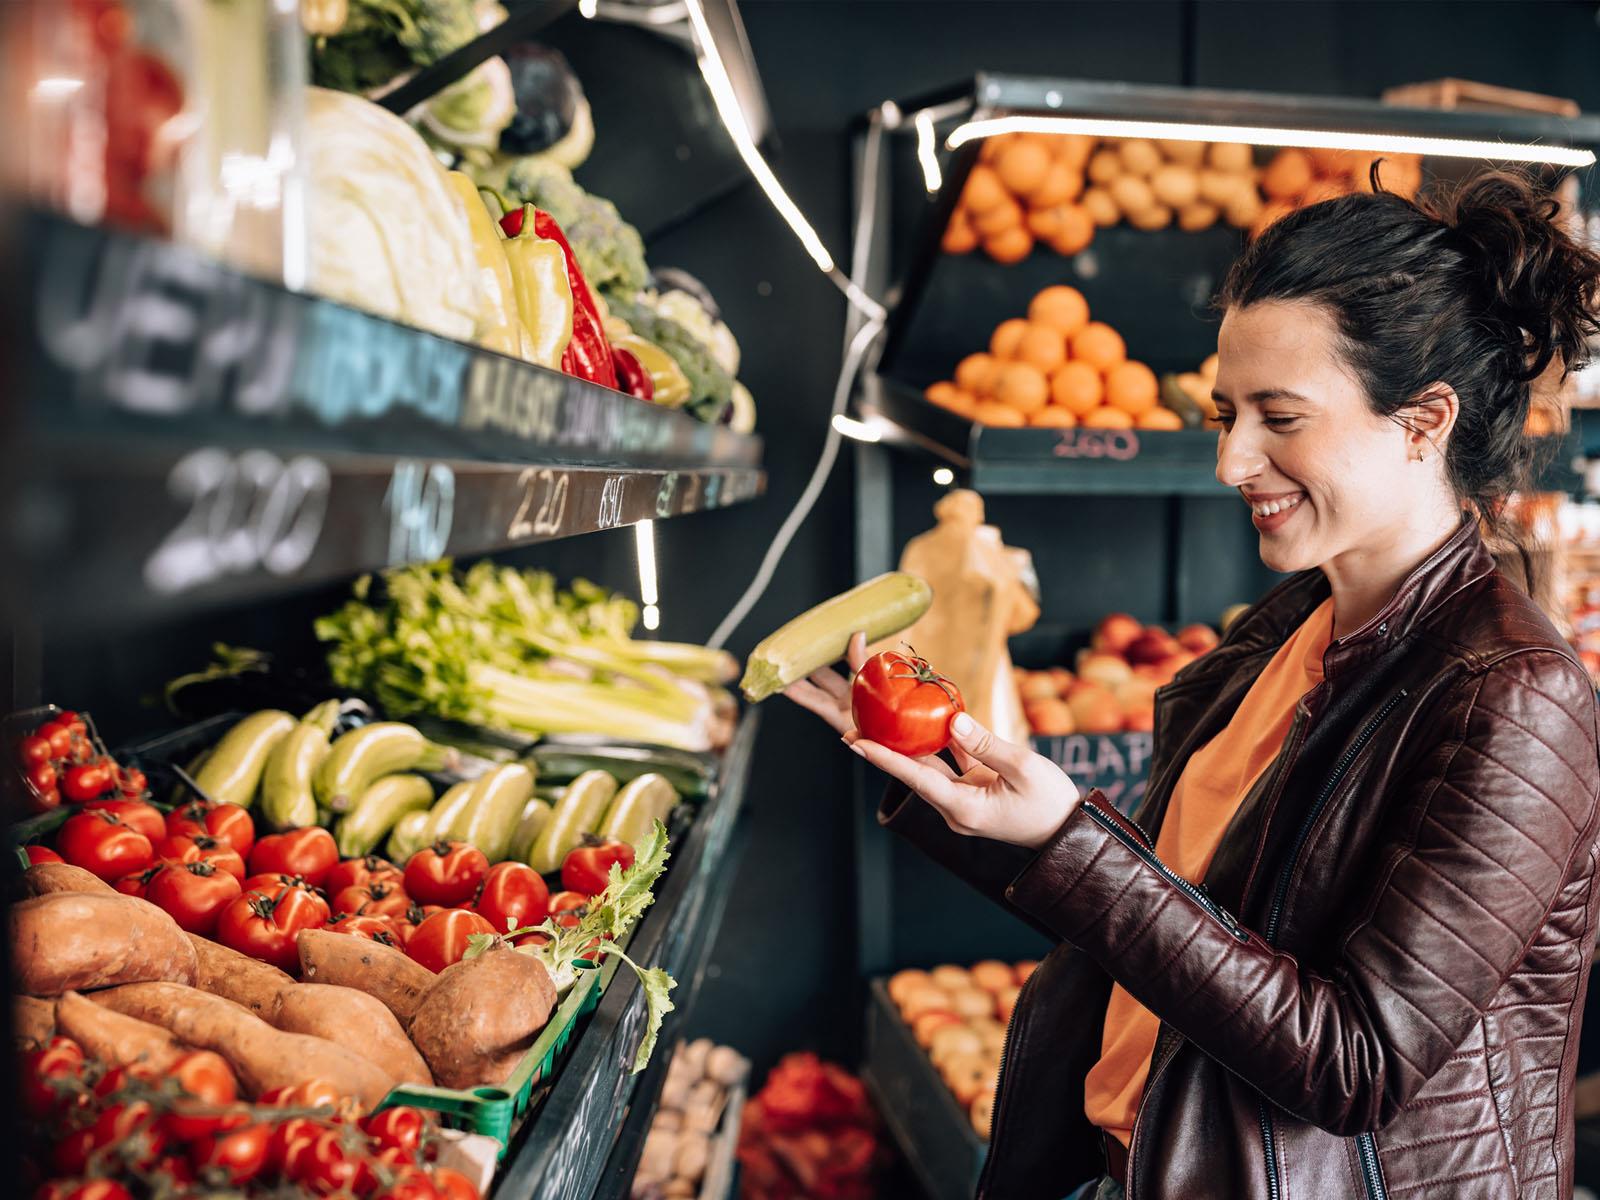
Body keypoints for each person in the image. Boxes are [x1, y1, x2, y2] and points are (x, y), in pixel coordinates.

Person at [786, 170, 1600, 1199]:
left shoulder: (1512, 695)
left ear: (1422, 421)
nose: (1230, 461)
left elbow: (1351, 1064)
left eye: (1280, 417)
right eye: (1225, 413)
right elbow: (1184, 926)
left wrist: (1065, 841)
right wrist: (958, 781)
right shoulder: (1285, 632)